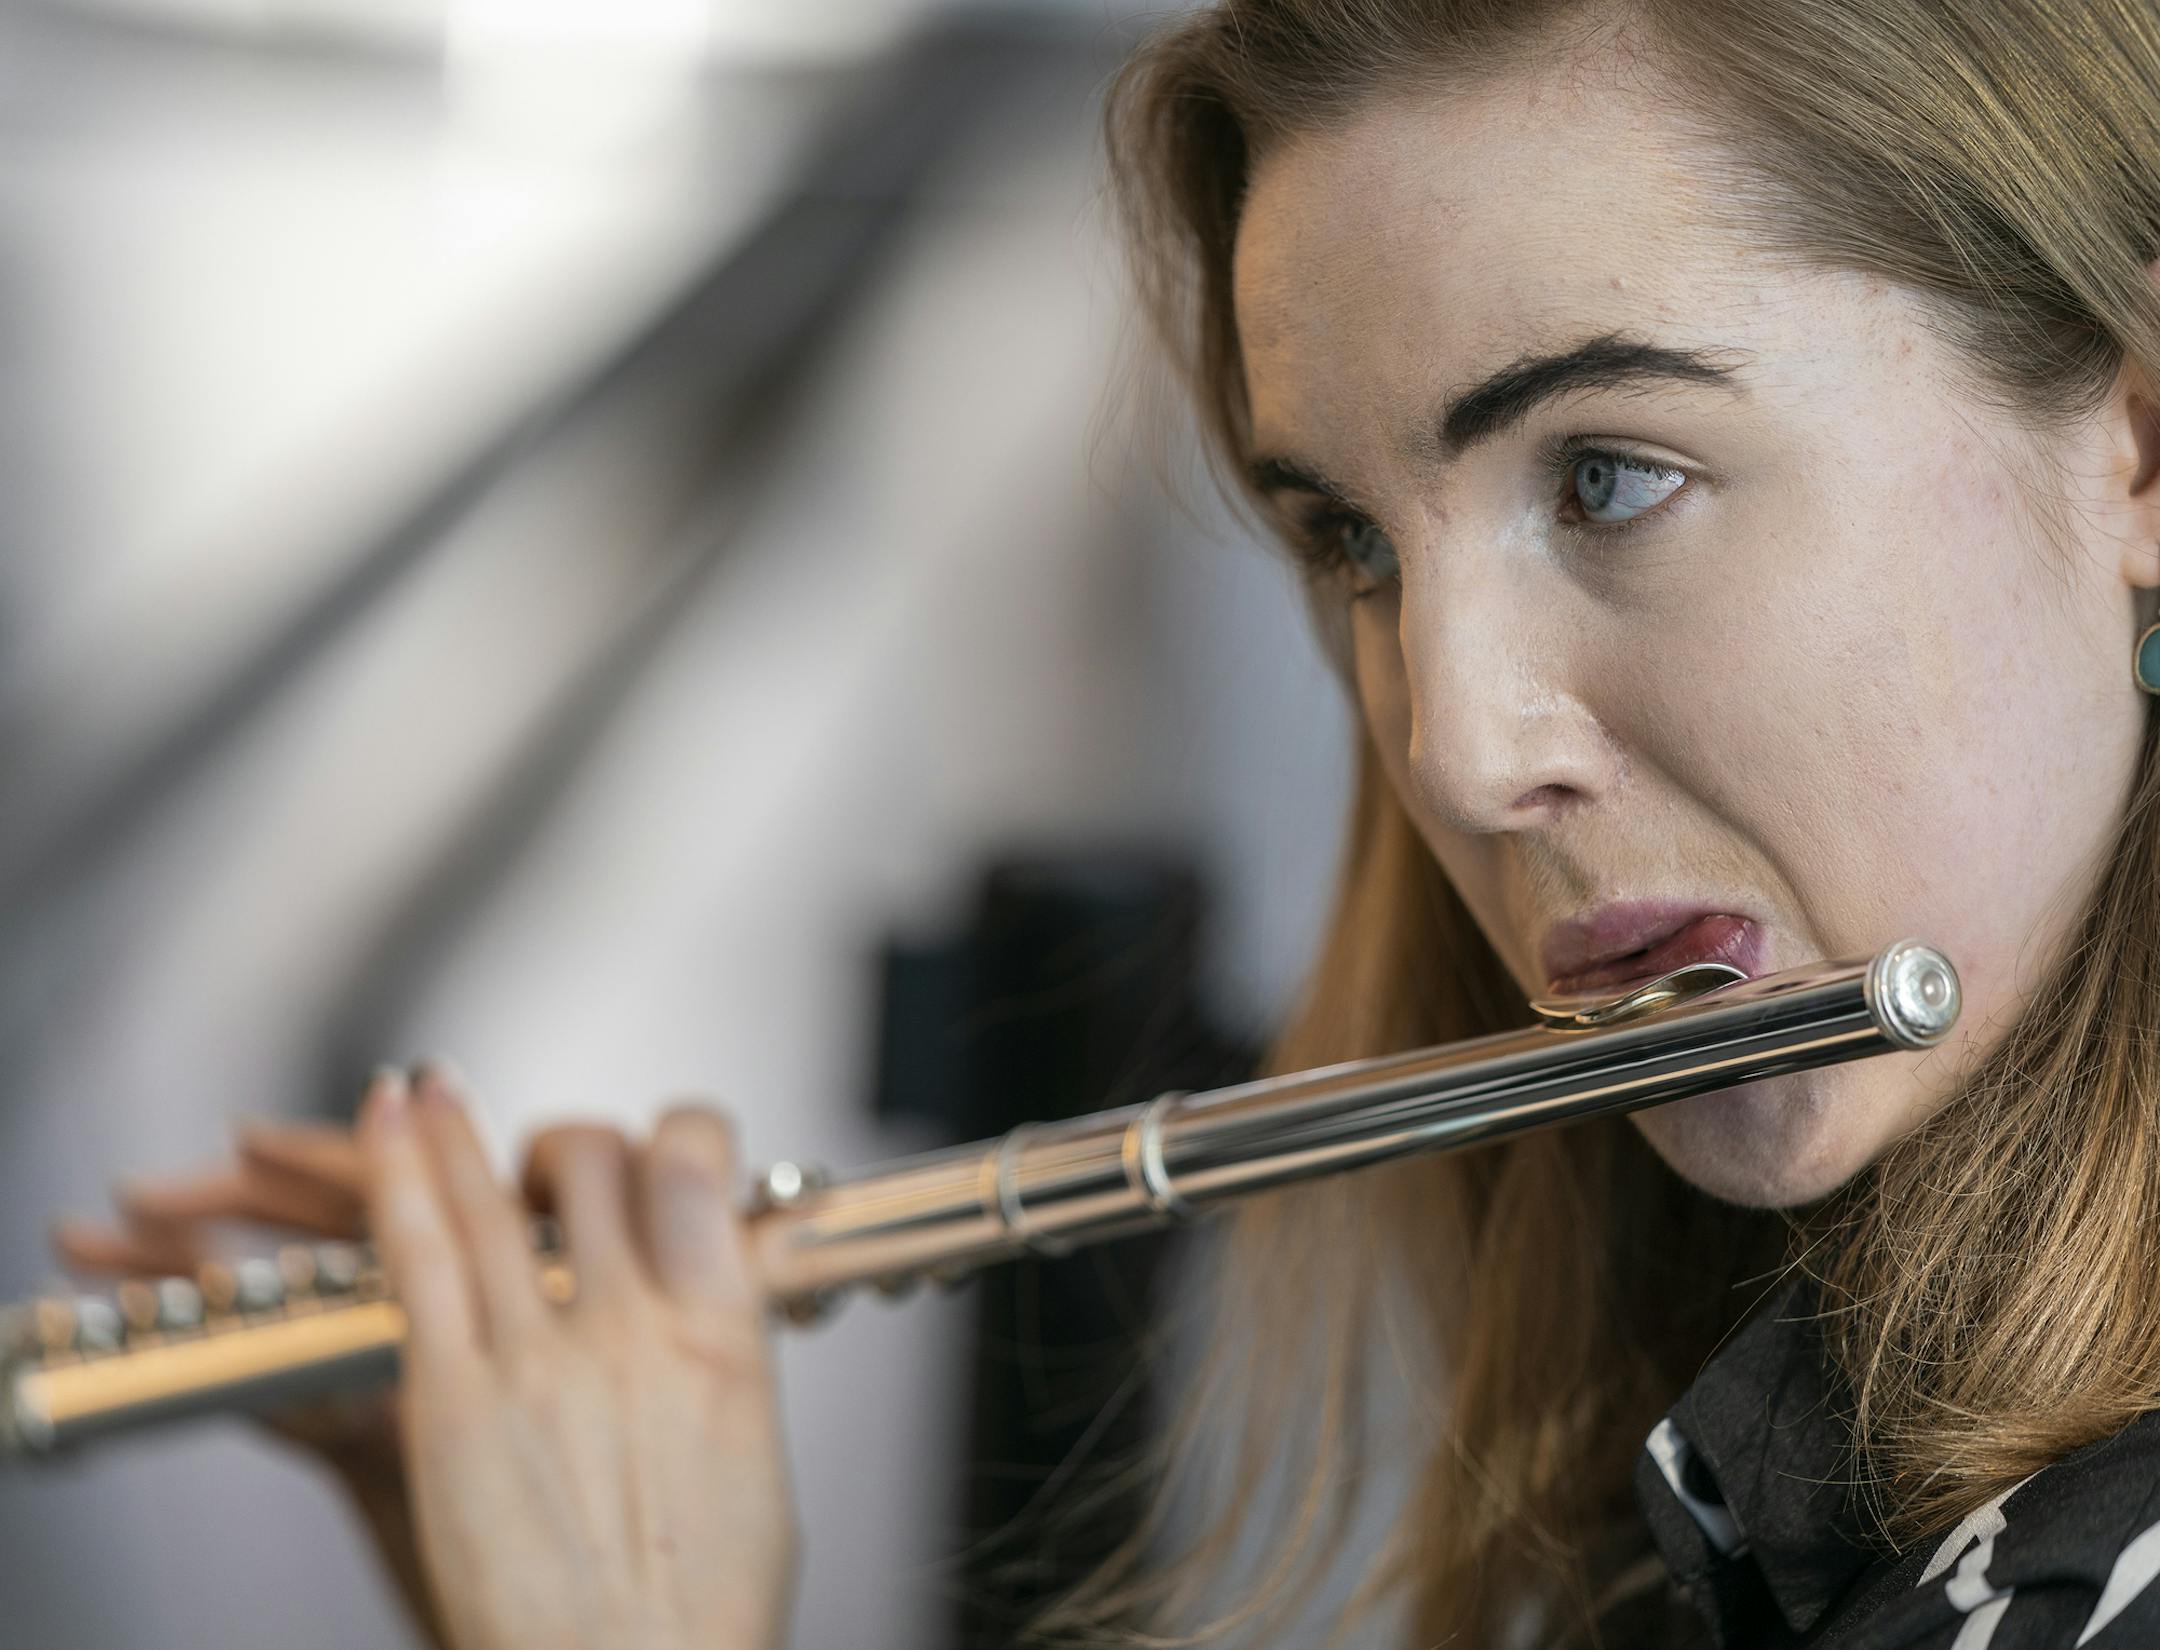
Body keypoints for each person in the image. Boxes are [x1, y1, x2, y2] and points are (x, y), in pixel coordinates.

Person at [52, 0, 2160, 1644]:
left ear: (2135, 448)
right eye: (1347, 541)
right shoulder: (1791, 1486)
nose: (1447, 739)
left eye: (1609, 475)